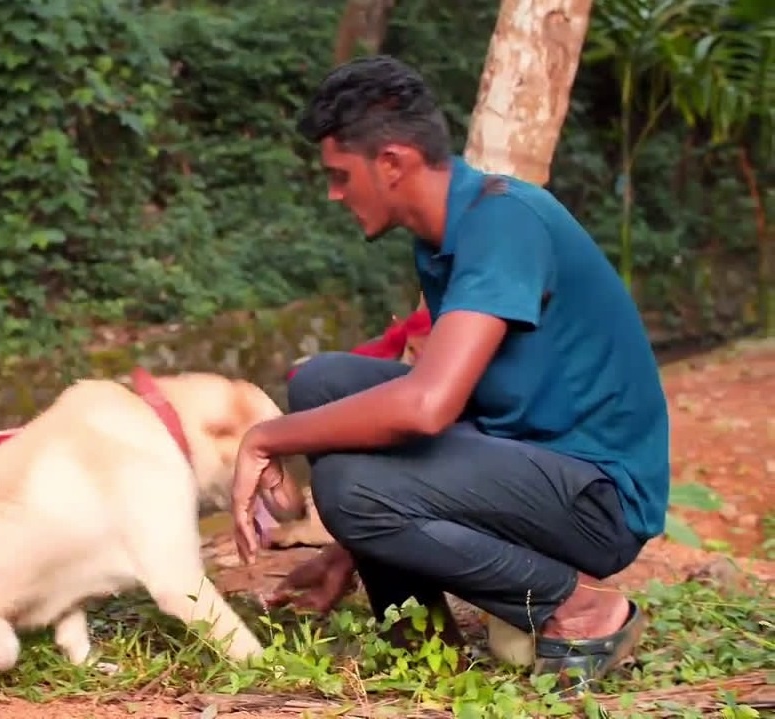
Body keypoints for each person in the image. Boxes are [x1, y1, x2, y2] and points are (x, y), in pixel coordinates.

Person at [229, 55, 670, 688]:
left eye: (340, 175)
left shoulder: (505, 222)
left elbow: (427, 406)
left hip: (597, 499)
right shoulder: (444, 237)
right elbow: (460, 402)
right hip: (524, 464)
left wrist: (264, 438)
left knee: (350, 486)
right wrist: (353, 548)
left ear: (392, 162)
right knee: (320, 383)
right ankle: (420, 636)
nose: (334, 194)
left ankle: (581, 607)